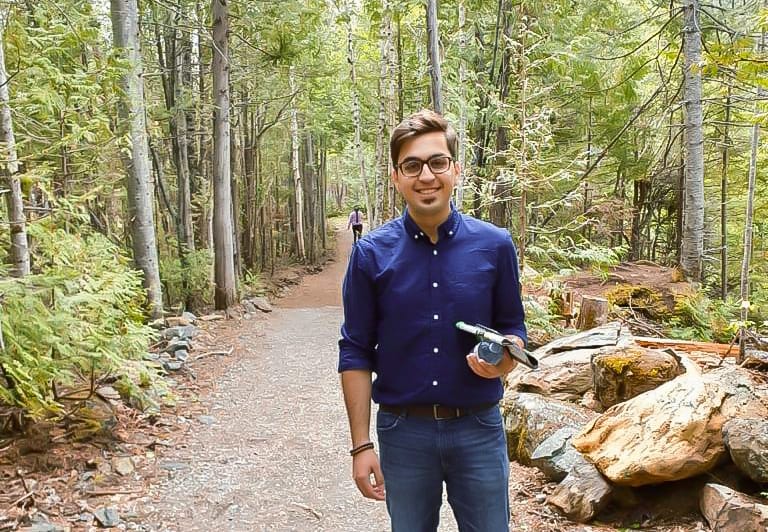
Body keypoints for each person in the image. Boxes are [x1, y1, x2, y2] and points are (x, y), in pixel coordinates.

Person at [338, 109, 527, 532]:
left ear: (456, 170)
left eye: (437, 162)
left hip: (478, 426)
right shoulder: (370, 255)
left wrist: (504, 360)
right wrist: (360, 446)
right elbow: (354, 350)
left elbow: (514, 328)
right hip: (403, 432)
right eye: (412, 165)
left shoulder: (495, 246)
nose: (426, 175)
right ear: (396, 176)